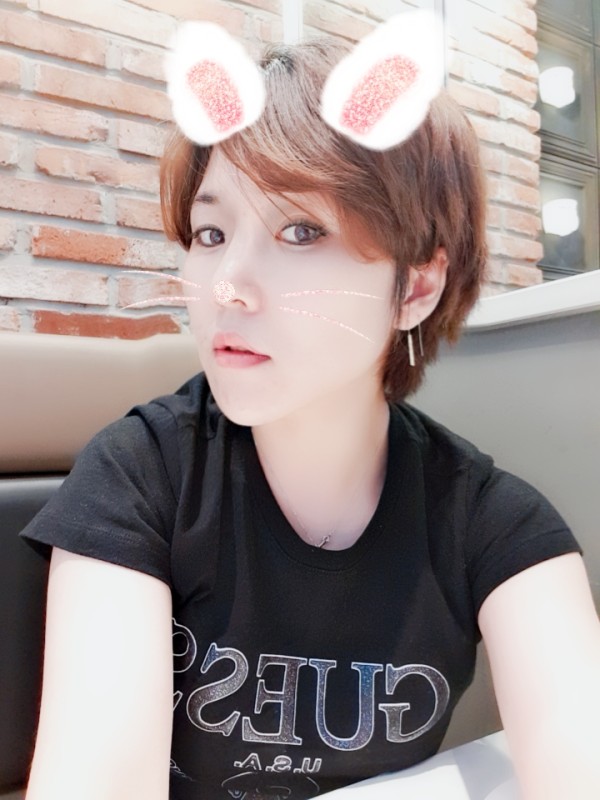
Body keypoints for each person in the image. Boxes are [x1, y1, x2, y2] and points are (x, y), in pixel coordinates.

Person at [20, 25, 600, 800]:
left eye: (301, 230)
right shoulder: (139, 474)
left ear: (416, 288)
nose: (227, 284)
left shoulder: (492, 523)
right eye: (210, 232)